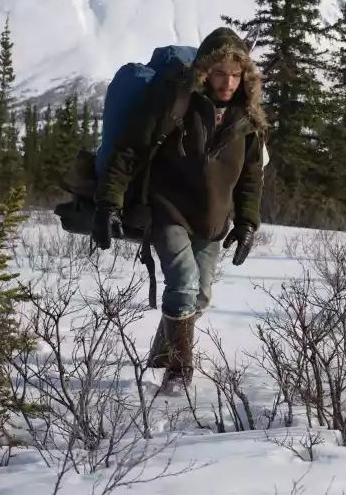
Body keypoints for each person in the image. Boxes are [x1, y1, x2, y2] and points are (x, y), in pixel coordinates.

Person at [92, 27, 266, 392]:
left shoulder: (247, 119)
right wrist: (109, 202)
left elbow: (251, 177)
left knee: (200, 296)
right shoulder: (176, 102)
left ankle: (161, 355)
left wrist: (247, 221)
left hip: (213, 221)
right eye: (220, 73)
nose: (228, 82)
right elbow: (128, 151)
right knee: (183, 284)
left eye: (236, 75)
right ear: (205, 71)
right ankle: (178, 374)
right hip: (167, 210)